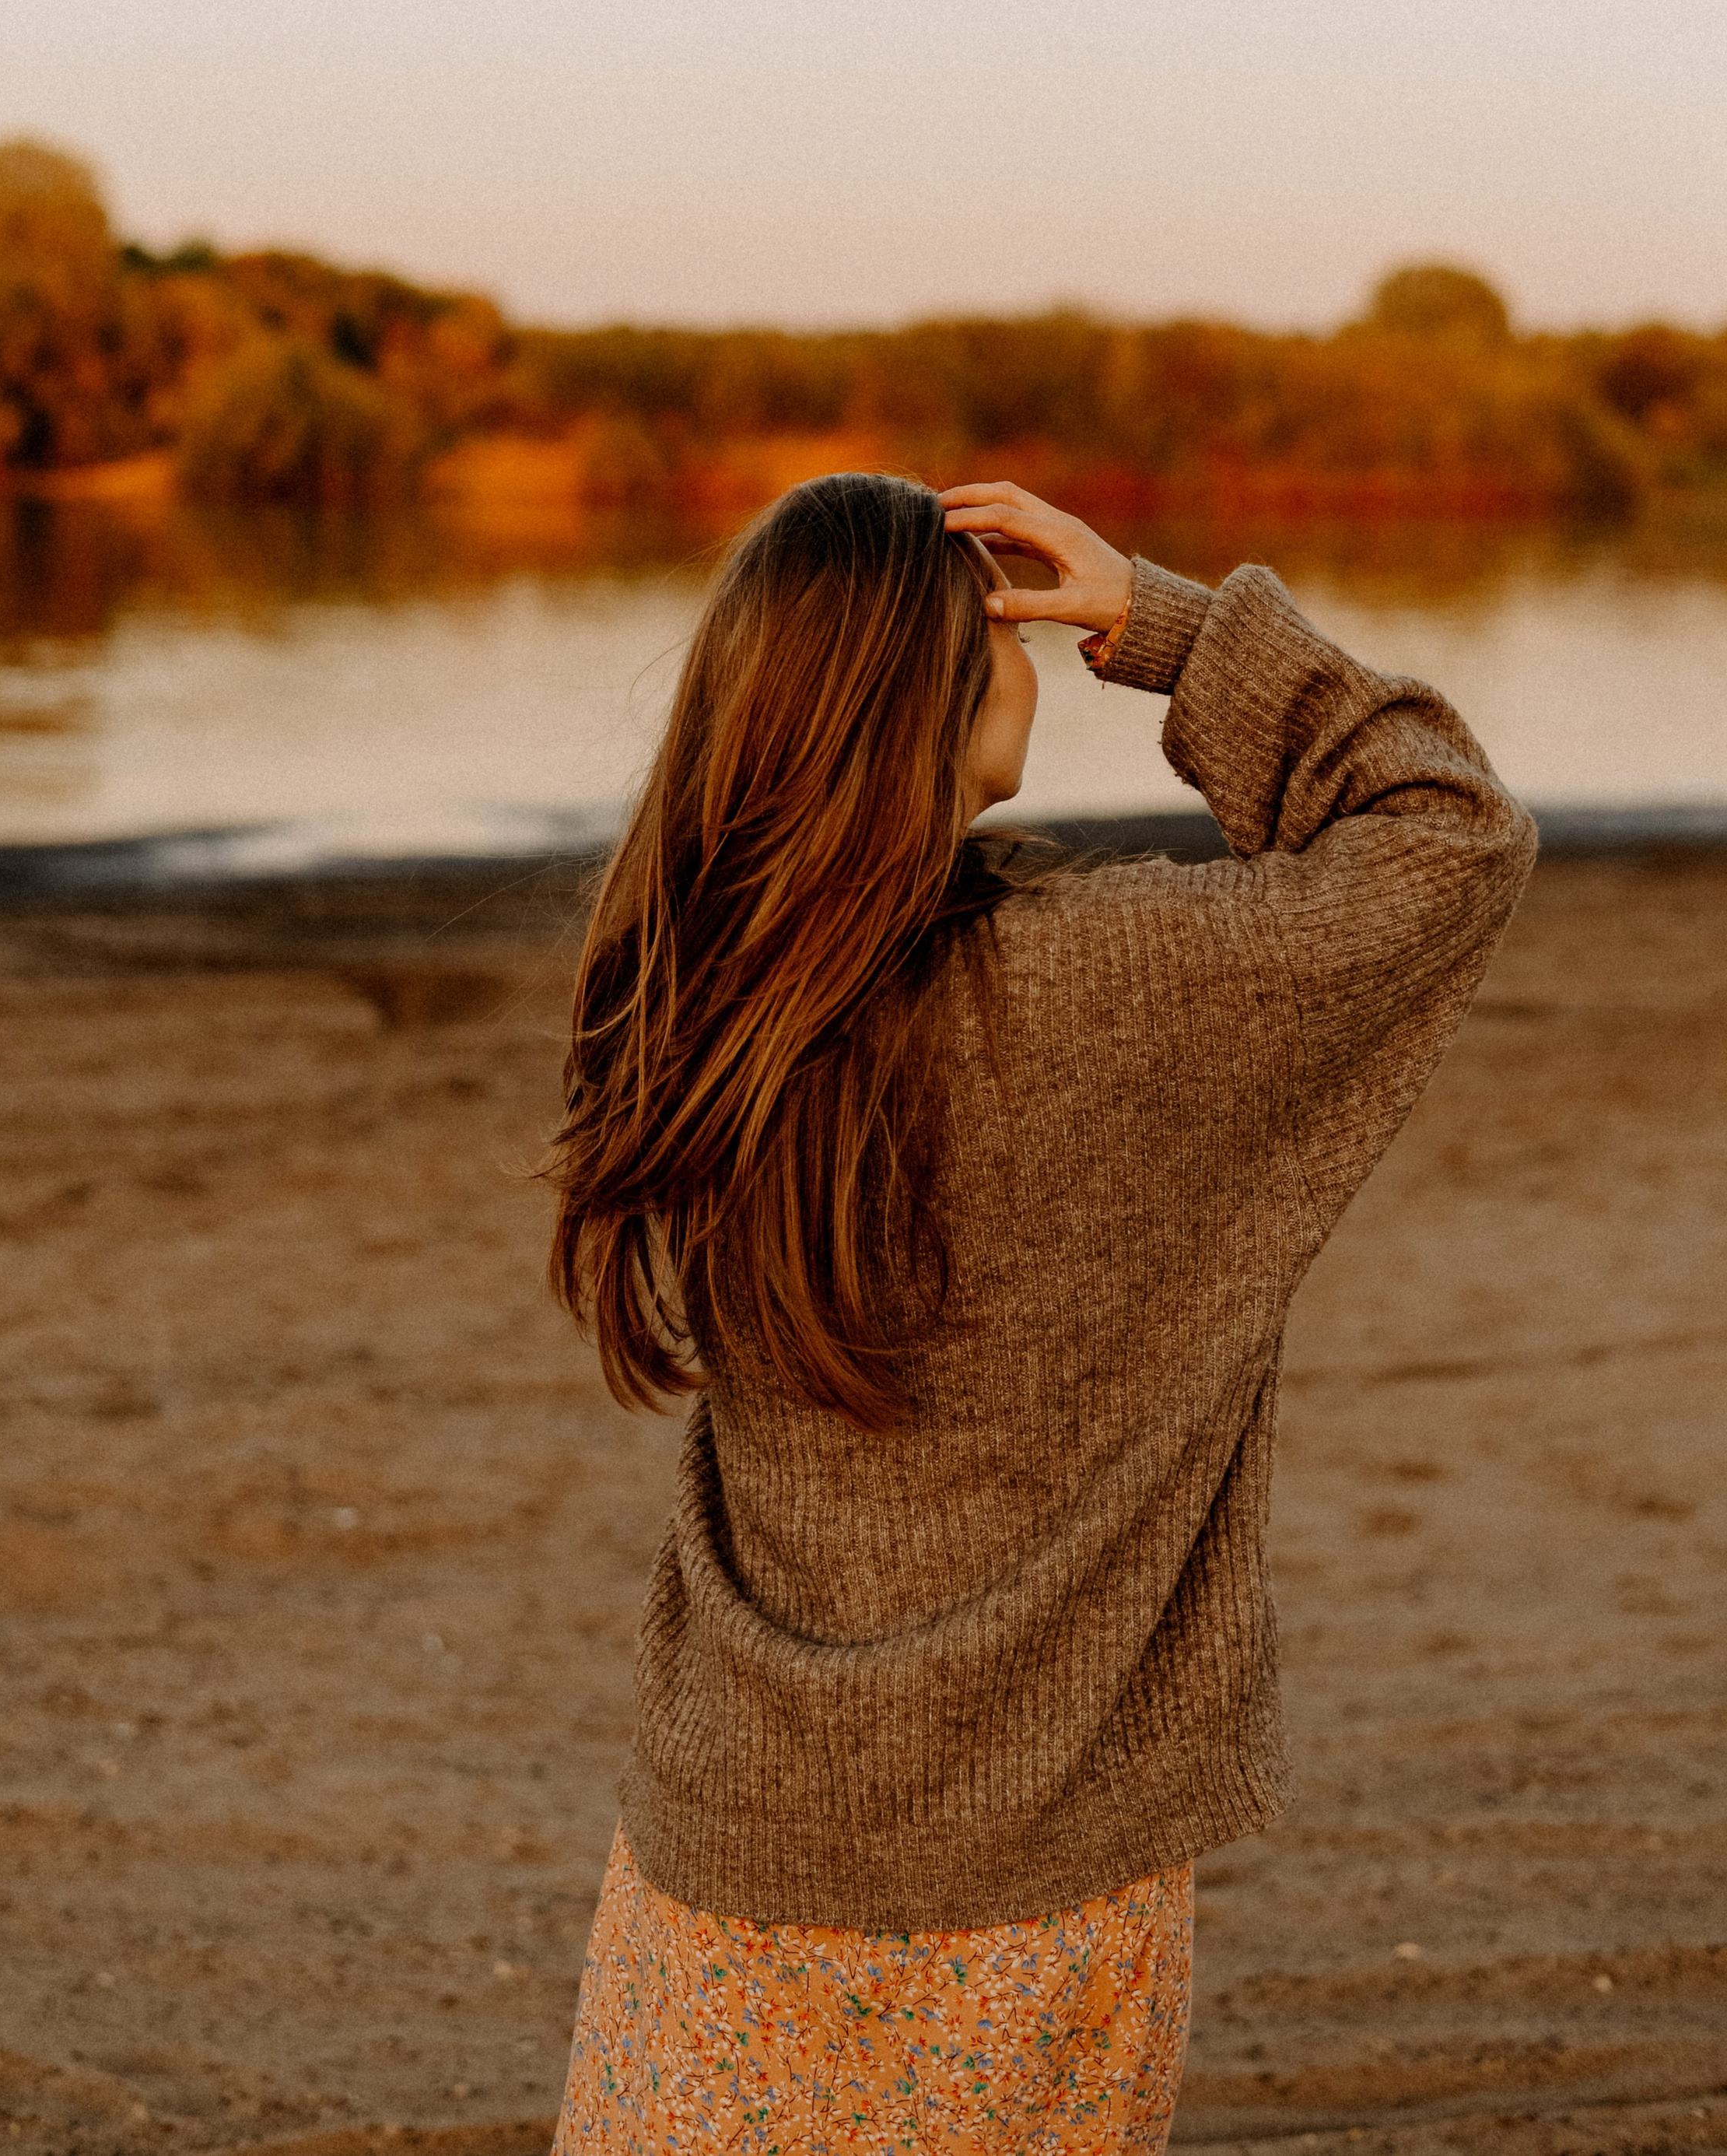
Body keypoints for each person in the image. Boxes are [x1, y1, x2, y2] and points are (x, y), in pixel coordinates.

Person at [547, 474, 1536, 2155]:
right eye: (989, 623)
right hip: (1038, 1866)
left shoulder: (693, 995)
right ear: (946, 682)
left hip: (723, 1849)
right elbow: (1442, 828)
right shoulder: (1105, 983)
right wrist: (1167, 624)